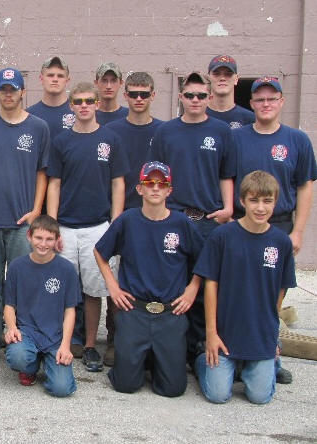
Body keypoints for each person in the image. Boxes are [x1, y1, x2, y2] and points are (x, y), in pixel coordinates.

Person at [147, 71, 237, 368]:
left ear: (209, 97)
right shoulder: (166, 132)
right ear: (181, 97)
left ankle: (200, 349)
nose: (195, 100)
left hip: (209, 220)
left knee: (205, 285)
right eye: (189, 95)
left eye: (200, 95)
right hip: (174, 218)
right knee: (173, 283)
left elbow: (226, 174)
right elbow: (155, 176)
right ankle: (172, 350)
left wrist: (228, 208)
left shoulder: (222, 132)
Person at [232, 76, 317, 384]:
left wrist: (299, 231)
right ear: (251, 104)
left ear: (281, 102)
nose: (266, 104)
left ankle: (270, 354)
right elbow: (226, 179)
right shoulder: (237, 138)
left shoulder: (297, 140)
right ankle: (235, 356)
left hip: (279, 225)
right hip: (241, 225)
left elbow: (305, 186)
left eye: (272, 99)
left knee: (272, 296)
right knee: (239, 292)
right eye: (260, 99)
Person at [94, 162, 203, 397]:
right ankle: (138, 360)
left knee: (173, 390)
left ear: (169, 190)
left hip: (170, 313)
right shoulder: (127, 220)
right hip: (135, 311)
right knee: (125, 385)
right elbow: (100, 252)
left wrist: (192, 288)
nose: (155, 188)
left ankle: (155, 360)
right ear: (139, 189)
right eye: (149, 183)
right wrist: (113, 287)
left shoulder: (182, 223)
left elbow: (204, 260)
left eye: (161, 184)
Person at [0, 67, 49, 363]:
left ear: (23, 91)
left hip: (22, 222)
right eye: (3, 89)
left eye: (13, 89)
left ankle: (21, 336)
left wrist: (36, 211)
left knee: (21, 282)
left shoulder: (38, 127)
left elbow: (42, 173)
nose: (8, 94)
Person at [194, 171, 296, 404]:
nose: (260, 207)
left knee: (260, 397)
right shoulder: (222, 236)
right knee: (218, 395)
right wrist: (211, 334)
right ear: (242, 201)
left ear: (275, 203)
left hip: (259, 335)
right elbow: (210, 284)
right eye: (254, 200)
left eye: (267, 201)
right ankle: (202, 360)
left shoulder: (281, 243)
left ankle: (262, 364)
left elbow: (281, 291)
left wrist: (272, 335)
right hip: (226, 333)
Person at [47, 81, 128, 372]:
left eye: (89, 101)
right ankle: (65, 340)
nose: (84, 106)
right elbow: (54, 184)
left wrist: (115, 223)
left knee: (94, 291)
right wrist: (53, 225)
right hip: (66, 227)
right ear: (71, 106)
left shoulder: (110, 139)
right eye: (78, 101)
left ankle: (91, 345)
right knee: (63, 288)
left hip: (98, 226)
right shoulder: (61, 141)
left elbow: (118, 183)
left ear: (97, 104)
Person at [4, 215, 79, 397]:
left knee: (61, 389)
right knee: (18, 356)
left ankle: (49, 362)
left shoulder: (66, 269)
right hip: (27, 332)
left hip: (55, 337)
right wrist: (12, 328)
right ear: (29, 236)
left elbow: (70, 311)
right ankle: (30, 366)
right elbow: (9, 305)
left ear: (57, 240)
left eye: (49, 239)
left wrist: (65, 345)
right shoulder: (16, 267)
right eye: (38, 238)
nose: (43, 244)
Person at [105, 72, 164, 210]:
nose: (139, 99)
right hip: (118, 209)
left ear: (152, 95)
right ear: (125, 96)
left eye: (144, 94)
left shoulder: (163, 131)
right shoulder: (110, 131)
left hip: (154, 209)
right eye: (133, 94)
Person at [27, 56, 74, 139]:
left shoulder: (77, 112)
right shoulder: (29, 115)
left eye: (60, 76)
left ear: (67, 80)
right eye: (50, 75)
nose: (55, 79)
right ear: (41, 79)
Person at [206, 55, 254, 129]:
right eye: (216, 74)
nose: (222, 78)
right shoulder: (197, 116)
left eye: (228, 74)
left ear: (236, 79)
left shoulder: (250, 119)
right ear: (208, 78)